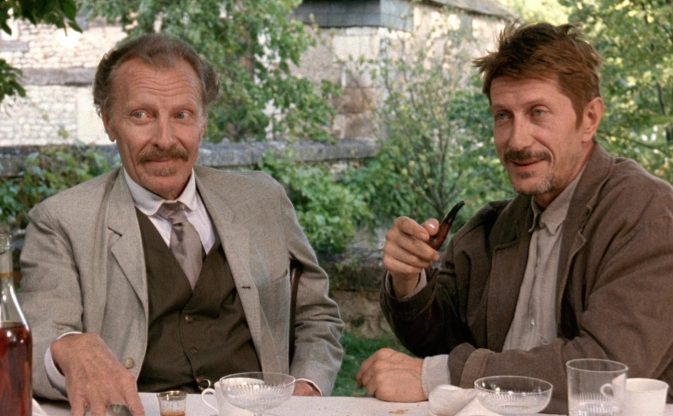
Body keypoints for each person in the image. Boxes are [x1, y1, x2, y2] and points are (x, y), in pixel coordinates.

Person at [18, 33, 344, 416]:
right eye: (141, 115)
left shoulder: (263, 201)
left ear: (203, 122)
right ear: (108, 122)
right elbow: (37, 342)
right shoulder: (61, 220)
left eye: (182, 115)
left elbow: (317, 316)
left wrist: (306, 387)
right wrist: (69, 348)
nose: (164, 139)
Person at [356, 21, 673, 413]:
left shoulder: (648, 213)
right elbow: (438, 339)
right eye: (503, 116)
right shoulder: (493, 228)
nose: (517, 140)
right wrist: (408, 279)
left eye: (538, 113)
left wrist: (440, 375)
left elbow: (605, 373)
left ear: (589, 118)